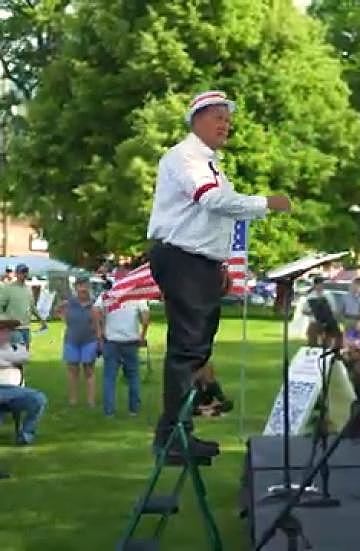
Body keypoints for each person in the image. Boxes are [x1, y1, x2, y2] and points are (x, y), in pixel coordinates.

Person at [146, 89, 291, 460]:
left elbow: (210, 217)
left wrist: (220, 262)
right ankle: (173, 434)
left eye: (227, 119)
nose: (225, 125)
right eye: (218, 117)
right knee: (188, 348)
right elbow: (210, 200)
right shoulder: (187, 157)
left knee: (195, 347)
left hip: (198, 259)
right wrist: (265, 203)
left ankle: (179, 430)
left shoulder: (207, 161)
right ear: (196, 120)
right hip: (184, 258)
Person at [94, 290, 150, 417]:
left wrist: (99, 332)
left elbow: (95, 310)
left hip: (111, 341)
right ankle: (134, 409)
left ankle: (109, 411)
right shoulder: (136, 295)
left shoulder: (107, 294)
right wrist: (142, 335)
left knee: (109, 378)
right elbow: (146, 318)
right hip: (130, 341)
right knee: (133, 376)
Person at [0, 317, 47, 446]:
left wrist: (5, 361)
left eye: (5, 330)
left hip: (16, 392)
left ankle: (26, 435)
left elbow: (26, 357)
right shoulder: (15, 351)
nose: (3, 334)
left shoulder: (16, 347)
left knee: (38, 398)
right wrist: (12, 361)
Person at [55, 278, 99, 408]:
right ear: (76, 288)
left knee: (89, 370)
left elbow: (99, 322)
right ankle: (73, 400)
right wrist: (64, 318)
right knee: (73, 371)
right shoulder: (70, 302)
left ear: (89, 288)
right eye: (80, 286)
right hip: (72, 340)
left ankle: (91, 401)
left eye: (85, 286)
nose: (83, 289)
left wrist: (99, 338)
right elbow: (57, 310)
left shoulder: (94, 303)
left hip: (89, 340)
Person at [0, 264, 43, 349]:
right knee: (18, 355)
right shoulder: (8, 288)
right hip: (14, 328)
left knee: (24, 356)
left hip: (26, 327)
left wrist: (42, 320)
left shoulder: (28, 289)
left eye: (26, 272)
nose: (25, 274)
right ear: (16, 273)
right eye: (22, 272)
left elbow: (32, 306)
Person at [303, 276, 342, 348]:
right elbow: (304, 311)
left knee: (330, 341)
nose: (320, 286)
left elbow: (334, 309)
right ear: (314, 285)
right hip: (314, 322)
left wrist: (329, 314)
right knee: (312, 342)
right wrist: (313, 312)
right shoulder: (310, 296)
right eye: (318, 284)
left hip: (328, 321)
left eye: (321, 284)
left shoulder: (328, 295)